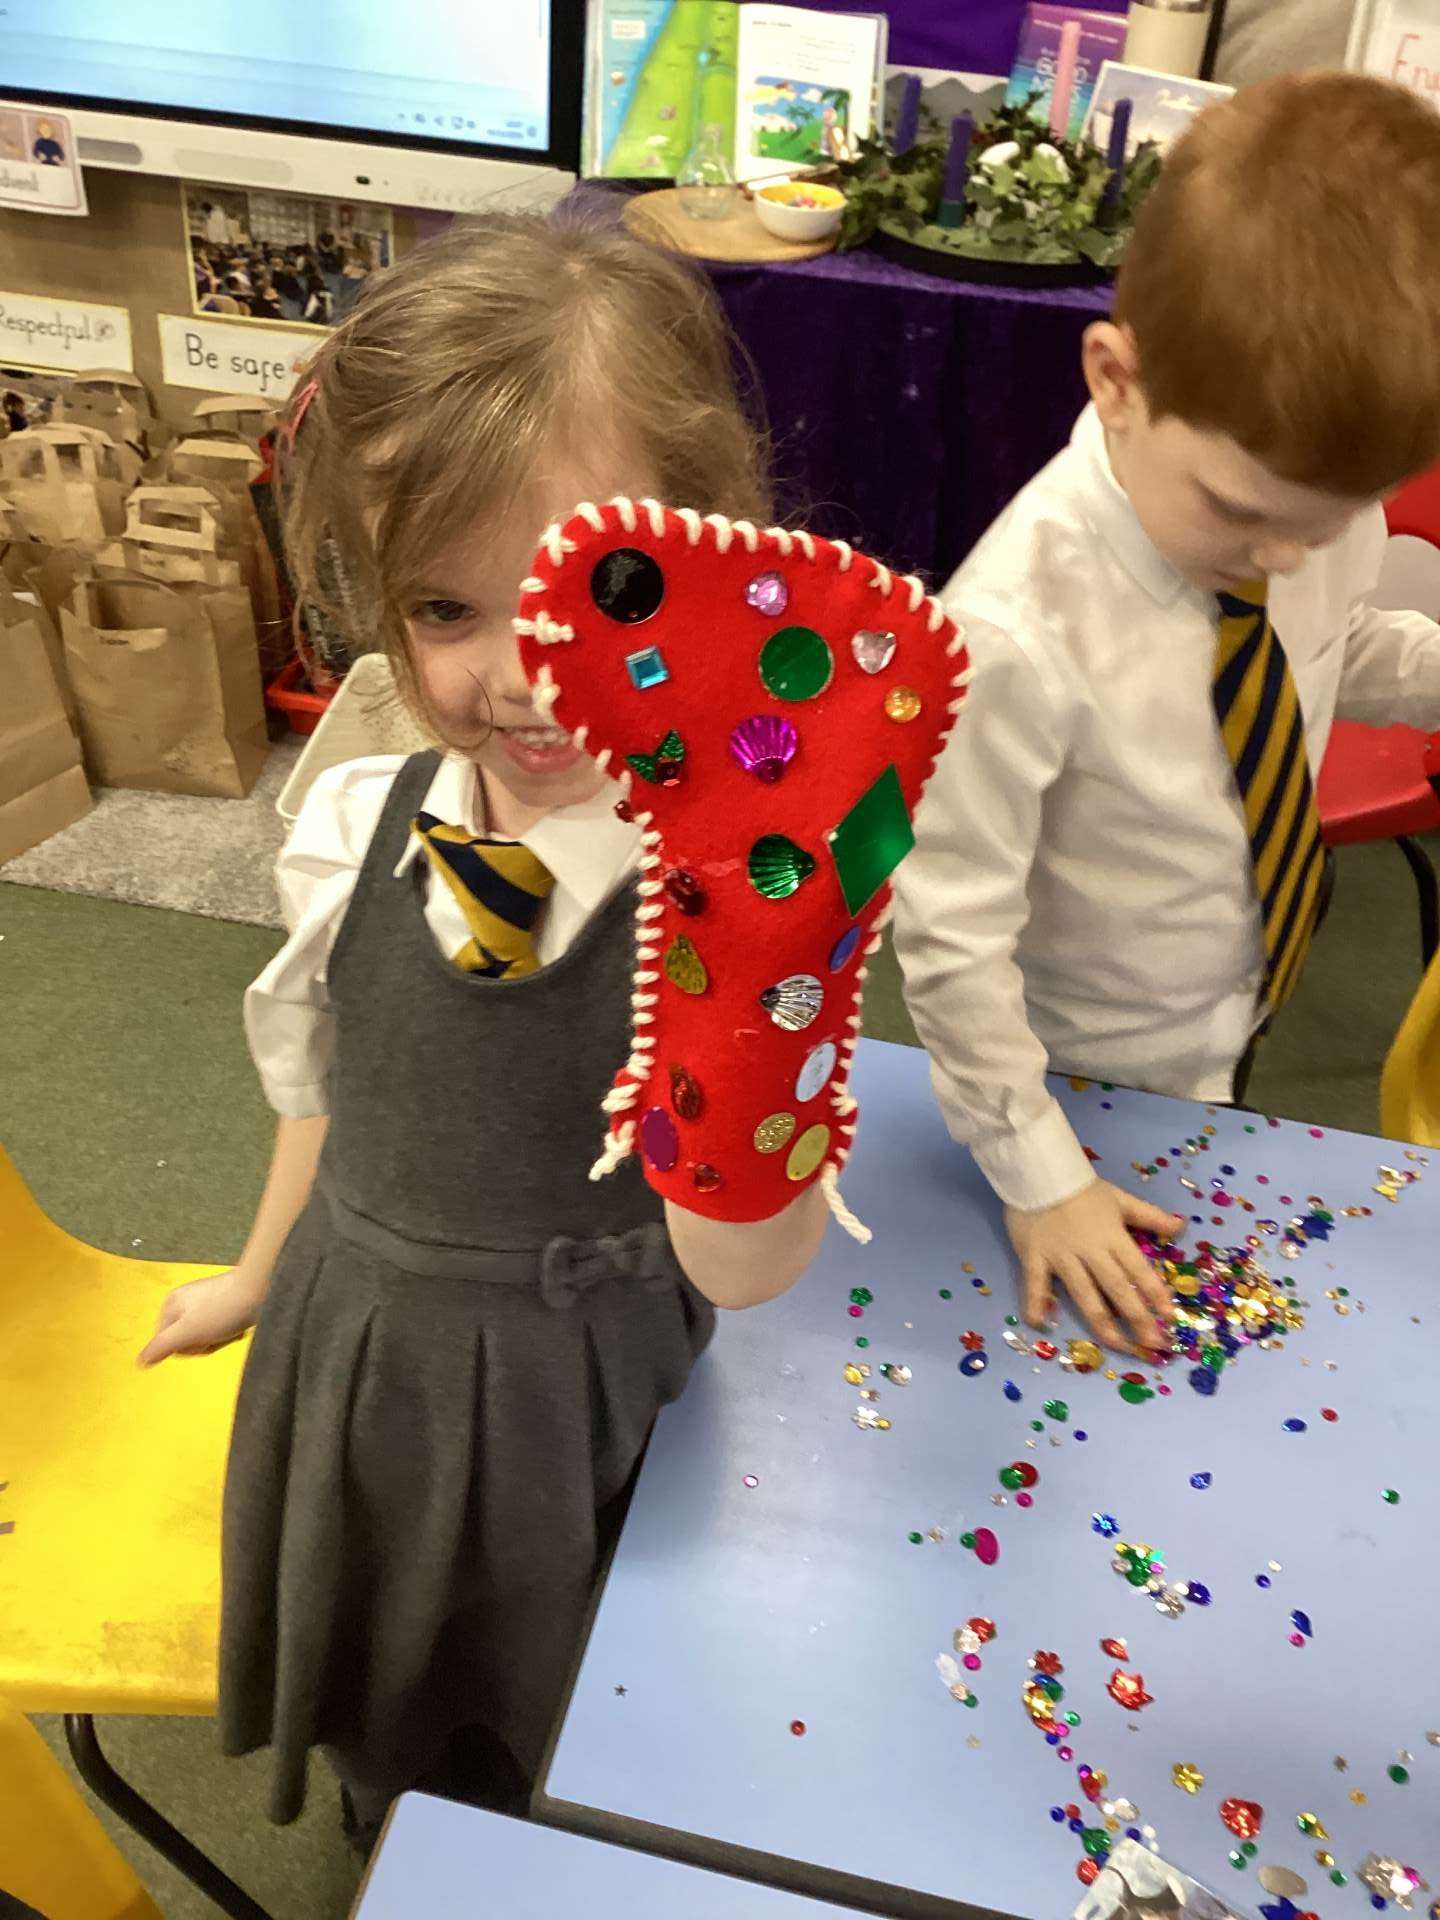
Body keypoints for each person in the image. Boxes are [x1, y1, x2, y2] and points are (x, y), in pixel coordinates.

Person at [136, 214, 837, 1847]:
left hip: (570, 1388)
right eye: (447, 608)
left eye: (595, 594)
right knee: (390, 1650)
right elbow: (332, 1080)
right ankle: (393, 1819)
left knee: (557, 1683)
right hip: (365, 1350)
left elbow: (745, 1266)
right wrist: (258, 1274)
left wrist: (759, 997)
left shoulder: (727, 885)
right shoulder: (358, 825)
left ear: (714, 556)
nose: (522, 675)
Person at [893, 72, 1440, 1354]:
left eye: (1323, 526)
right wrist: (1040, 1172)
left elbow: (1322, 652)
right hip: (1070, 1070)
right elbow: (949, 934)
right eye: (1243, 515)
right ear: (1116, 380)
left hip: (1229, 1009)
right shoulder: (1013, 630)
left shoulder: (1294, 517)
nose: (1285, 560)